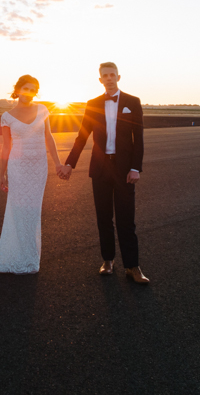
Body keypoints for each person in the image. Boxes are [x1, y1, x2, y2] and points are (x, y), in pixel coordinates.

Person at [58, 62, 149, 284]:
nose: (109, 78)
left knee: (127, 220)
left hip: (124, 170)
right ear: (100, 80)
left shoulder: (132, 102)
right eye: (104, 76)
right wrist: (70, 164)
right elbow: (82, 136)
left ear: (118, 77)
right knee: (103, 218)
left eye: (112, 75)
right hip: (100, 169)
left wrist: (135, 168)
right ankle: (107, 261)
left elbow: (138, 138)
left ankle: (132, 266)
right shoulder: (92, 104)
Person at [0, 75, 64, 274]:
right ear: (17, 89)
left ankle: (30, 258)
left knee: (32, 212)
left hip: (38, 167)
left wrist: (58, 163)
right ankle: (10, 258)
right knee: (17, 211)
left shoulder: (42, 110)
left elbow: (49, 138)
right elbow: (6, 146)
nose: (29, 92)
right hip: (18, 167)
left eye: (33, 89)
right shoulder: (7, 116)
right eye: (25, 88)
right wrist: (2, 173)